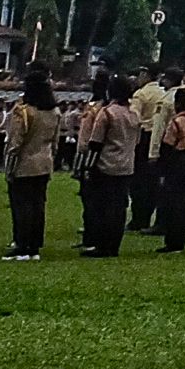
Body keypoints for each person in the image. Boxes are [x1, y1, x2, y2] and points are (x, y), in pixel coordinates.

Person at [72, 72, 137, 254]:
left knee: (102, 207)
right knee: (119, 208)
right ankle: (114, 245)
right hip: (126, 165)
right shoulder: (133, 114)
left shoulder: (107, 113)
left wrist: (88, 168)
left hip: (106, 165)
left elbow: (95, 143)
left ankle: (101, 245)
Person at [0, 72, 58, 261]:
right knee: (38, 205)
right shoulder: (54, 112)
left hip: (25, 163)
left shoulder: (23, 112)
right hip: (45, 162)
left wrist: (9, 165)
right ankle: (34, 245)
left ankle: (22, 244)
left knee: (22, 206)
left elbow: (15, 142)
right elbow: (55, 142)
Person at [148, 80, 185, 254]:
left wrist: (162, 167)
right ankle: (180, 241)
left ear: (177, 104)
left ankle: (171, 241)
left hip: (177, 160)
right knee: (184, 202)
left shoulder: (176, 122)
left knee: (172, 202)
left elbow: (167, 145)